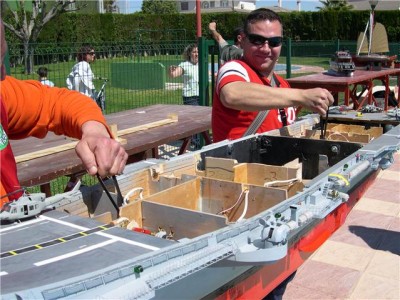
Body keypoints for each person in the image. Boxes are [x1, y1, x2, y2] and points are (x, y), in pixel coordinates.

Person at [0, 19, 128, 206]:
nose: (3, 74)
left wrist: (95, 131)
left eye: (1, 59)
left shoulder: (3, 93)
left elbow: (56, 102)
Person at [212, 8, 334, 143]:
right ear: (243, 40)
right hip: (237, 163)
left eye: (274, 42)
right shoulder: (235, 68)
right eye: (257, 40)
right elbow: (231, 95)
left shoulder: (282, 84)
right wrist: (302, 96)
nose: (265, 48)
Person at [168, 44, 200, 148]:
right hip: (190, 97)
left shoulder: (202, 65)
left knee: (201, 119)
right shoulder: (184, 65)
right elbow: (173, 75)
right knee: (194, 119)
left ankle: (198, 141)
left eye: (198, 52)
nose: (196, 54)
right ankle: (195, 143)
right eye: (194, 52)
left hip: (201, 95)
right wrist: (171, 70)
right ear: (190, 53)